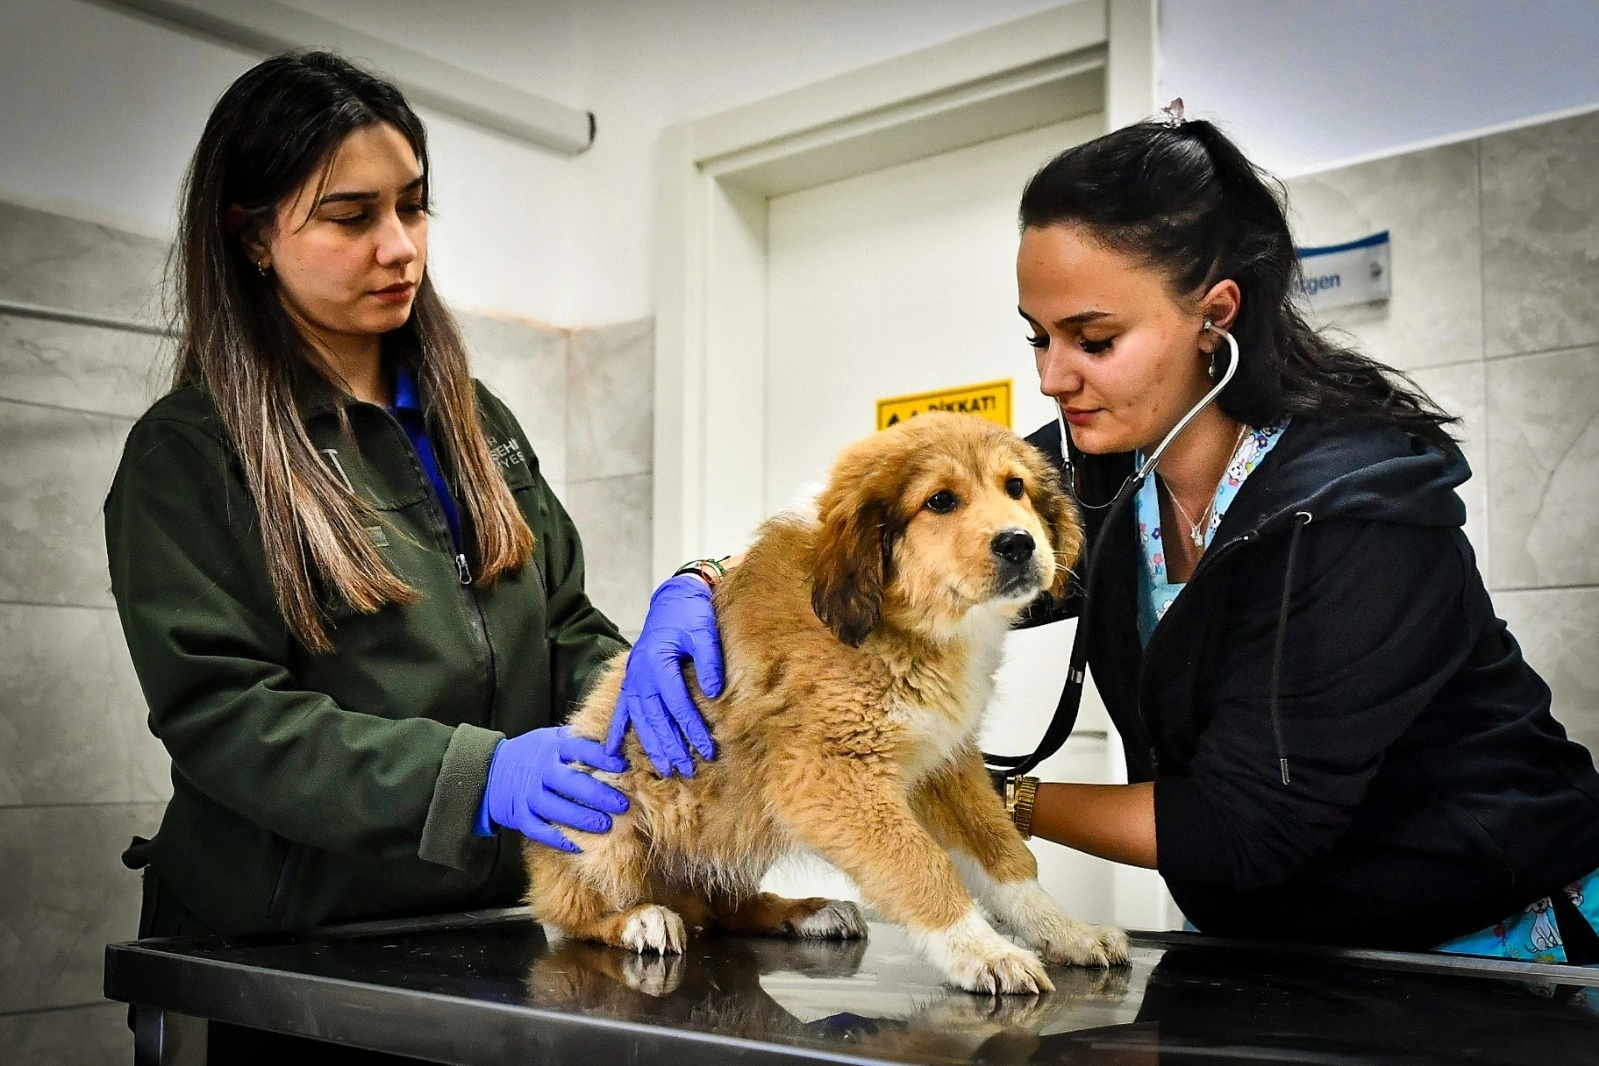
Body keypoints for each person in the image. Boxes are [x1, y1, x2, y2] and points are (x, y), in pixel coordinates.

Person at [105, 51, 721, 947]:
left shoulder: (475, 424)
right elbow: (226, 718)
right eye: (351, 216)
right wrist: (478, 778)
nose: (400, 246)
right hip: (283, 946)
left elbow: (560, 630)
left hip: (488, 920)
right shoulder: (194, 454)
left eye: (412, 204)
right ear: (251, 236)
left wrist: (647, 687)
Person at [1001, 112, 1599, 961]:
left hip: (1483, 939)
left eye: (1094, 340)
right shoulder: (1095, 463)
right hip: (1270, 940)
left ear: (1214, 316)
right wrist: (753, 585)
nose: (1052, 377)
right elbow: (920, 558)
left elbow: (1243, 826)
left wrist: (986, 800)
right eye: (1038, 335)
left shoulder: (1357, 509)